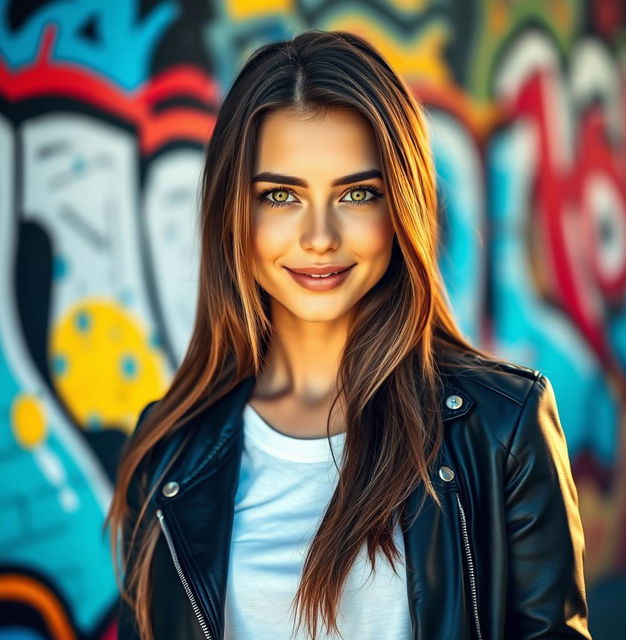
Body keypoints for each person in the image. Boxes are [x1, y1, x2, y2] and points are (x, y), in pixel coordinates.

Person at [105, 29, 592, 640]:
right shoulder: (169, 450)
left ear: (401, 208)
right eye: (280, 196)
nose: (319, 237)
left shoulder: (501, 429)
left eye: (357, 193)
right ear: (235, 212)